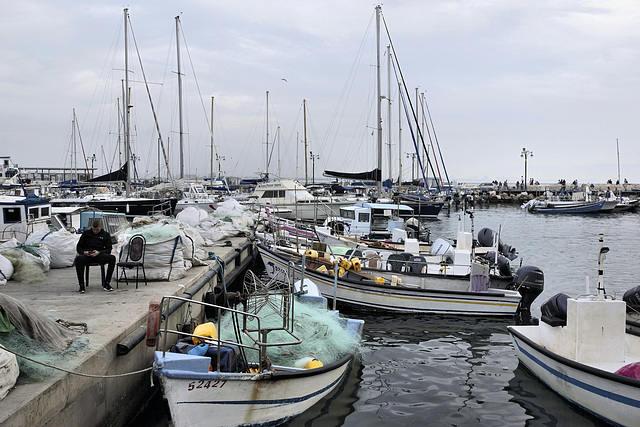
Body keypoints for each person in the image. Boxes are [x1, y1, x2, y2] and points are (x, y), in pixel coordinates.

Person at [75, 219, 116, 293]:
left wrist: (99, 252)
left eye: (97, 230)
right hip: (87, 256)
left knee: (112, 258)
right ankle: (81, 285)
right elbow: (79, 247)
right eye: (94, 229)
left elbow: (108, 249)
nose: (95, 231)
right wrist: (84, 252)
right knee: (78, 259)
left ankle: (107, 283)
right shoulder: (86, 234)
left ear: (101, 227)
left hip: (99, 255)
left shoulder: (105, 235)